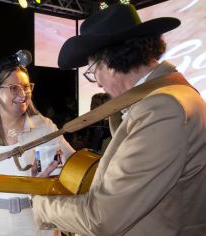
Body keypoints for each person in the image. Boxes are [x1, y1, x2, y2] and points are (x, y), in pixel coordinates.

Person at [32, 4, 206, 236]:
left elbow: (103, 218)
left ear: (109, 64)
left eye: (93, 72)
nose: (98, 83)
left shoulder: (163, 108)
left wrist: (41, 205)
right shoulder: (170, 97)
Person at [0, 66, 75, 236]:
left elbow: (74, 164)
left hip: (37, 220)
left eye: (26, 86)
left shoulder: (44, 126)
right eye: (14, 88)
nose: (23, 93)